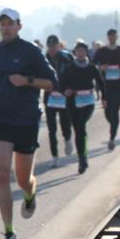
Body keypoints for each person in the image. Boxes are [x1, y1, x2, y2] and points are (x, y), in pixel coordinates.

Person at [0, 8, 58, 239]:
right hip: (1, 119)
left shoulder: (31, 52)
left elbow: (52, 82)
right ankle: (9, 232)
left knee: (23, 179)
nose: (5, 27)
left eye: (10, 23)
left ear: (19, 26)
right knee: (2, 173)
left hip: (26, 120)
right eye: (2, 23)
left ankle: (30, 194)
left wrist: (27, 81)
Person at [61, 41, 103, 174]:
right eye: (78, 51)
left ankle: (83, 158)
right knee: (78, 130)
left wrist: (105, 97)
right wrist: (65, 90)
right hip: (73, 102)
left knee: (81, 126)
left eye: (82, 51)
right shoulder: (69, 68)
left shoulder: (92, 67)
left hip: (88, 102)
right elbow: (61, 83)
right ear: (75, 52)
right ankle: (81, 157)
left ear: (86, 52)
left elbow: (100, 82)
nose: (80, 53)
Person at [91, 29, 120, 150]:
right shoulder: (102, 51)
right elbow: (93, 64)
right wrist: (101, 67)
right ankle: (113, 126)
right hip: (106, 85)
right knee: (108, 113)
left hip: (118, 85)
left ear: (117, 37)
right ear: (107, 37)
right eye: (110, 36)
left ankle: (112, 138)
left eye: (114, 36)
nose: (112, 38)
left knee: (115, 111)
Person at [43, 35, 74, 168]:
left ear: (59, 45)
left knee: (65, 123)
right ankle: (54, 156)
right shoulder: (43, 58)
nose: (52, 49)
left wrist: (71, 88)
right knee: (51, 128)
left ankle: (67, 139)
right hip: (50, 97)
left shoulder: (67, 57)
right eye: (49, 46)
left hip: (64, 96)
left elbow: (74, 73)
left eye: (54, 46)